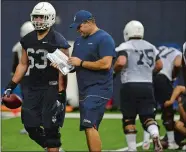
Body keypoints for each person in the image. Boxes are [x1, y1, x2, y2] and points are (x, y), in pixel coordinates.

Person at [2, 2, 70, 152]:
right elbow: (23, 64)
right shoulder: (28, 39)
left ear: (50, 18)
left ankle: (53, 146)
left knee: (51, 130)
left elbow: (67, 70)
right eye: (36, 17)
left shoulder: (58, 40)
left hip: (51, 89)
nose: (38, 20)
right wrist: (10, 85)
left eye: (42, 17)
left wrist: (60, 92)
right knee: (30, 126)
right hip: (33, 88)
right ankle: (51, 147)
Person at [68, 10, 116, 152]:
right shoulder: (78, 41)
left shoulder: (105, 38)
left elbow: (106, 64)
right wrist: (61, 65)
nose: (77, 30)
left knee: (89, 124)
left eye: (79, 26)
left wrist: (81, 63)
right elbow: (73, 66)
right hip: (84, 90)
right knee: (89, 126)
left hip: (99, 88)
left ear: (89, 22)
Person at [114, 20, 163, 152]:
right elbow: (159, 65)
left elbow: (121, 61)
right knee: (148, 117)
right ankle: (155, 134)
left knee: (129, 119)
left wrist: (113, 72)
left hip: (129, 85)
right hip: (147, 85)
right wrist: (148, 73)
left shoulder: (125, 46)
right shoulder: (151, 46)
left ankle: (132, 148)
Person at [142, 45, 182, 150]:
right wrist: (174, 75)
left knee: (149, 110)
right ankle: (172, 142)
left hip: (149, 78)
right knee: (168, 110)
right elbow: (178, 64)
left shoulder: (157, 49)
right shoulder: (177, 52)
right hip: (163, 78)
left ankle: (145, 141)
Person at [11, 21, 35, 135]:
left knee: (27, 102)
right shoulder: (39, 44)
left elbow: (15, 64)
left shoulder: (18, 46)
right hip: (38, 76)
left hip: (25, 77)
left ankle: (28, 126)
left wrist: (14, 77)